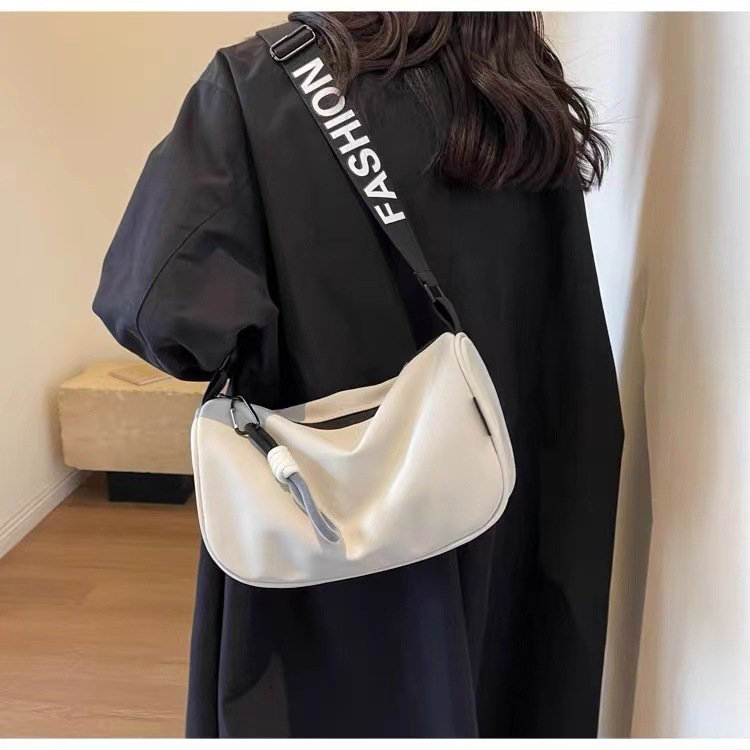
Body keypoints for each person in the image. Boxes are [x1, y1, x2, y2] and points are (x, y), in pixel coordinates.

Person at [93, 12, 623, 738]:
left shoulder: (259, 86)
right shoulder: (523, 90)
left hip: (330, 542)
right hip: (513, 522)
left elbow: (158, 311)